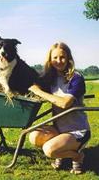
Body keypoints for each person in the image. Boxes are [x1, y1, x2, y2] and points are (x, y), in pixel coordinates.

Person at [28, 42, 90, 174]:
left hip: (77, 131)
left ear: (68, 58)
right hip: (59, 129)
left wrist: (39, 92)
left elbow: (64, 103)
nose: (59, 61)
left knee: (49, 150)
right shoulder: (51, 77)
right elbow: (33, 84)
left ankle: (77, 156)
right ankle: (61, 151)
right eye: (55, 57)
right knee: (34, 136)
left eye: (62, 57)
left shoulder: (76, 78)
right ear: (50, 59)